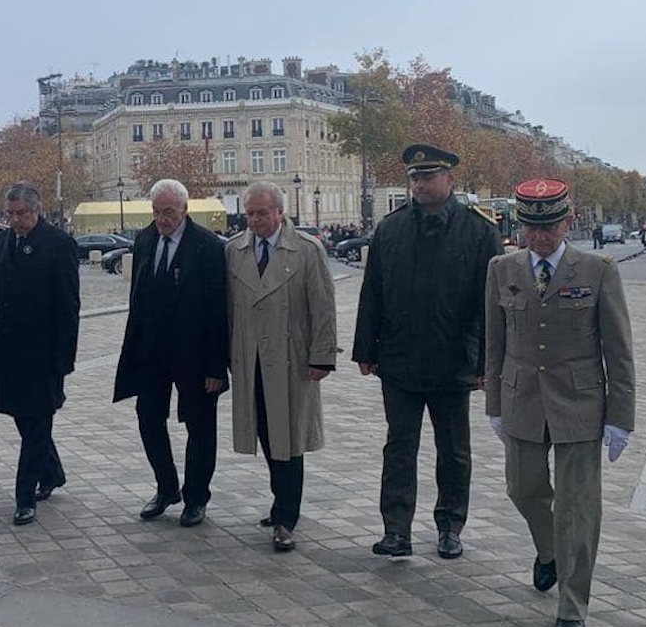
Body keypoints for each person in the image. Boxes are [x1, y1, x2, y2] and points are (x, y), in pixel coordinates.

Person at [484, 179, 635, 627]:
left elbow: (618, 348)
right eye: (531, 227)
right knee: (522, 488)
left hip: (580, 403)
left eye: (548, 227)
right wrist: (494, 404)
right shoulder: (501, 269)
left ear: (567, 222)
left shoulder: (596, 270)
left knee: (577, 508)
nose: (539, 236)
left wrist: (620, 417)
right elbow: (495, 343)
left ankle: (572, 606)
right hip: (521, 398)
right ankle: (549, 551)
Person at [352, 144, 503, 559]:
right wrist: (365, 348)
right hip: (399, 359)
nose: (419, 184)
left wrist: (489, 361)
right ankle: (396, 529)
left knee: (453, 451)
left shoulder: (479, 230)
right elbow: (373, 292)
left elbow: (493, 305)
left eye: (428, 176)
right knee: (399, 447)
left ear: (450, 179)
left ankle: (450, 526)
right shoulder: (391, 228)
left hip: (453, 360)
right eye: (414, 178)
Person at [225, 181, 336, 551]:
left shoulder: (306, 251)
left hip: (291, 360)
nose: (254, 221)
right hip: (249, 358)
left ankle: (287, 516)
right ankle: (280, 501)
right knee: (264, 434)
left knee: (288, 438)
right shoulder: (234, 252)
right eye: (249, 214)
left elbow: (323, 307)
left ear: (279, 212)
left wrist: (322, 357)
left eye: (261, 213)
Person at [114, 178, 228, 528]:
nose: (162, 220)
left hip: (194, 354)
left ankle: (196, 497)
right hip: (151, 351)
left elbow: (218, 310)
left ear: (185, 210)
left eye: (168, 212)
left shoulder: (207, 246)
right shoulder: (145, 239)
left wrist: (215, 366)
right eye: (156, 212)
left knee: (200, 426)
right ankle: (166, 488)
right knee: (148, 419)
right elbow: (139, 297)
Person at [0, 182, 79, 526]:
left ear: (35, 210)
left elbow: (69, 305)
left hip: (43, 352)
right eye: (9, 214)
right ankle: (52, 471)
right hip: (10, 350)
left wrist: (65, 357)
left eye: (20, 213)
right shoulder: (0, 244)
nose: (14, 220)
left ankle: (25, 496)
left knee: (38, 421)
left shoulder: (58, 244)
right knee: (24, 420)